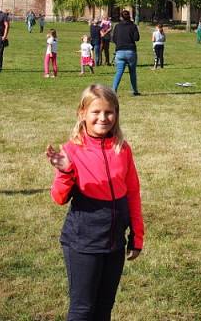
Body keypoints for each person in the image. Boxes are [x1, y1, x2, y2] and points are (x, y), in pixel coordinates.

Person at [46, 84, 144, 321]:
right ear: (82, 114)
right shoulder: (72, 150)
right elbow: (59, 198)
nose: (103, 118)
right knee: (83, 310)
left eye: (109, 112)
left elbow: (133, 193)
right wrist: (66, 171)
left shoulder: (122, 149)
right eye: (96, 112)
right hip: (83, 242)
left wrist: (137, 236)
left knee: (104, 308)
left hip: (114, 243)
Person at [112, 10, 140, 96]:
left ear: (121, 17)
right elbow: (136, 38)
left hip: (120, 51)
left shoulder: (117, 26)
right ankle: (134, 90)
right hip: (130, 51)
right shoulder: (133, 26)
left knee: (119, 72)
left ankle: (113, 90)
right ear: (130, 16)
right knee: (132, 72)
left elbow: (114, 39)